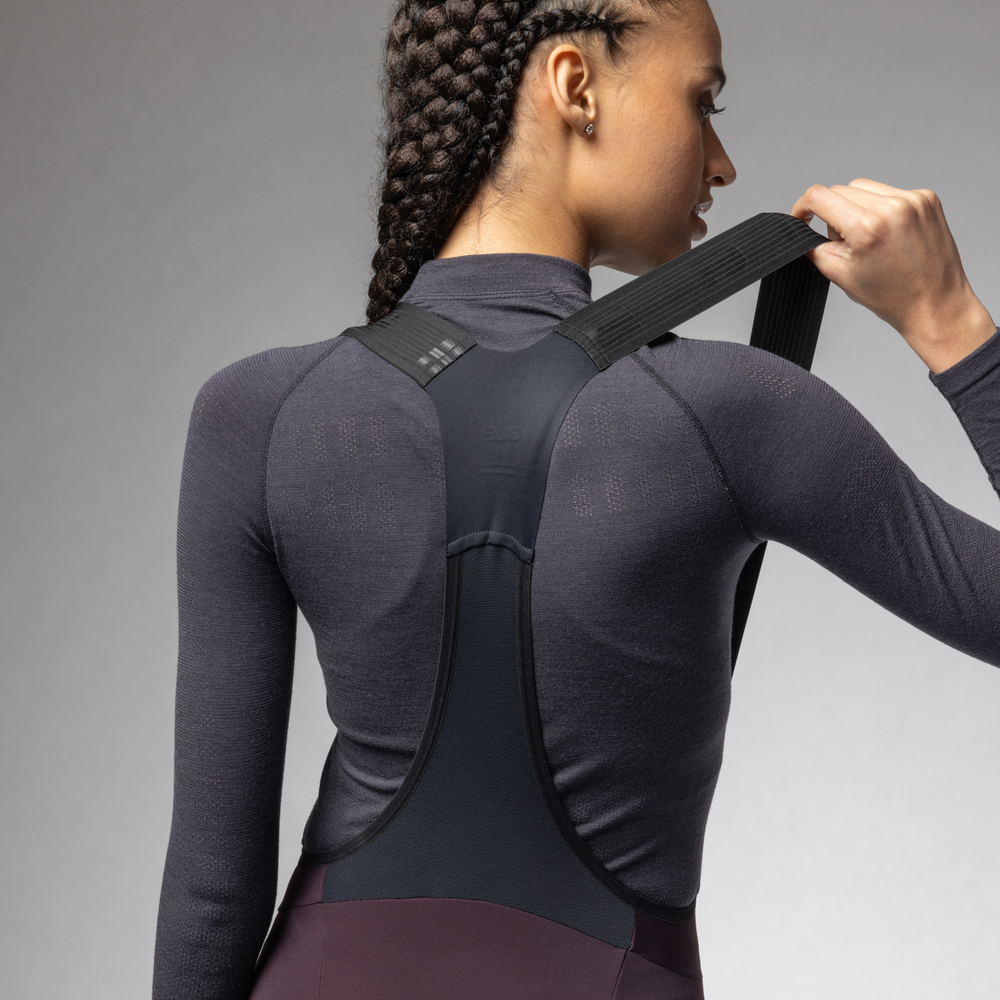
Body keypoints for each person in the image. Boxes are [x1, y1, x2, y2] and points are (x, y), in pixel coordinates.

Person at [151, 1, 1000, 998]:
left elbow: (213, 891)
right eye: (704, 104)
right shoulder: (729, 411)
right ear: (574, 85)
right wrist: (953, 323)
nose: (722, 163)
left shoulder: (261, 414)